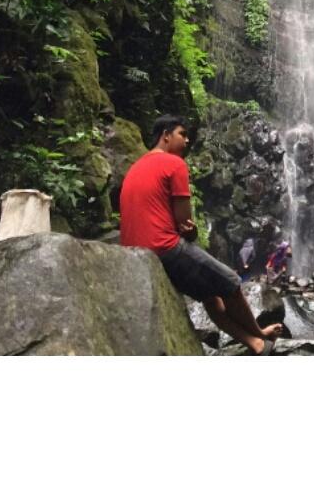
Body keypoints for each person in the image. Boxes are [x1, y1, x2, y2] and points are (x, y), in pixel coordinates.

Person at [119, 114, 283, 355]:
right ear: (166, 135)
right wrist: (192, 231)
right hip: (164, 248)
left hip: (134, 254)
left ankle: (255, 342)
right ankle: (259, 333)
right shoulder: (174, 163)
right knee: (231, 282)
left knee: (212, 298)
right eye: (182, 134)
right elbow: (184, 224)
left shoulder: (136, 166)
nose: (187, 141)